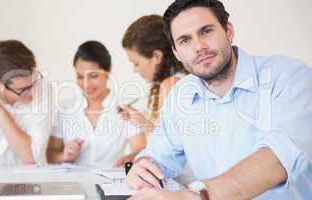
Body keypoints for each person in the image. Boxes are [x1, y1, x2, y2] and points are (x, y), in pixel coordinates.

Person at [125, 0, 312, 200]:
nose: (199, 47)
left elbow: (280, 158)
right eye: (185, 40)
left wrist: (196, 196)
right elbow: (159, 155)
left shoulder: (289, 76)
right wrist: (143, 166)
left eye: (206, 31)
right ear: (176, 52)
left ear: (228, 31)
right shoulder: (180, 94)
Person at [47, 41, 146, 167]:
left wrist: (131, 158)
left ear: (108, 72)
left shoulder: (126, 107)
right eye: (80, 77)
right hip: (73, 181)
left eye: (93, 76)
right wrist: (64, 156)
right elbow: (50, 154)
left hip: (109, 181)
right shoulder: (66, 108)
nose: (86, 84)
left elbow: (140, 149)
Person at [119, 15, 187, 135]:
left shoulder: (170, 86)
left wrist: (144, 124)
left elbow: (173, 149)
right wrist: (140, 120)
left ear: (156, 56)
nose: (135, 70)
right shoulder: (176, 80)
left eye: (136, 63)